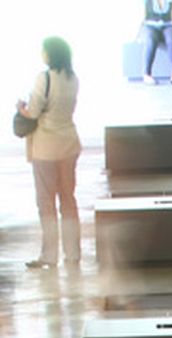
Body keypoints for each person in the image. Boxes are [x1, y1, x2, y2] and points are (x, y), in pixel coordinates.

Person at [17, 37, 81, 272]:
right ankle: (73, 254)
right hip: (69, 144)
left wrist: (20, 108)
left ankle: (49, 255)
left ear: (50, 54)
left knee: (46, 202)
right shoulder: (73, 78)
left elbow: (33, 112)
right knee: (68, 199)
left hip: (46, 147)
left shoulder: (43, 78)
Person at [142, 0, 172, 85]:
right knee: (150, 40)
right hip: (150, 26)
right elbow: (142, 16)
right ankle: (147, 74)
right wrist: (135, 35)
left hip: (167, 25)